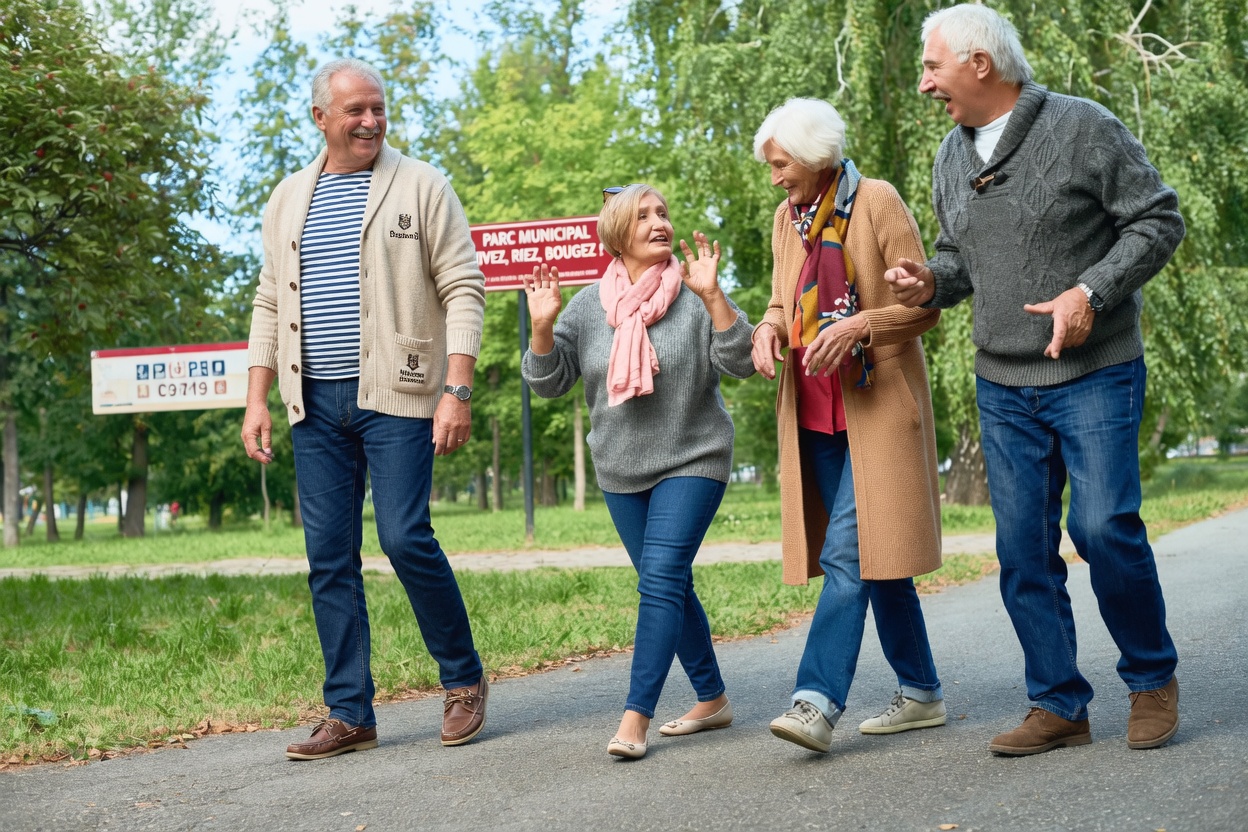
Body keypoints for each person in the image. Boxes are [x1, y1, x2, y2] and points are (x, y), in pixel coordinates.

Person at [886, 4, 1185, 756]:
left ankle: (1151, 678)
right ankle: (1058, 703)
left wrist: (1091, 292)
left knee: (1102, 529)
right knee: (1022, 549)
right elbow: (960, 265)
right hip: (1003, 382)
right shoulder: (951, 158)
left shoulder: (1083, 126)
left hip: (1094, 371)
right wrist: (929, 282)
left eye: (932, 67)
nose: (925, 84)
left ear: (980, 64)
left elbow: (1157, 220)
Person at [240, 58, 488, 761]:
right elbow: (268, 301)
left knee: (405, 536)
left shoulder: (421, 184)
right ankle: (349, 712)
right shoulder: (289, 197)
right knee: (328, 557)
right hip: (312, 403)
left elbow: (464, 287)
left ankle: (463, 679)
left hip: (400, 397)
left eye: (378, 108)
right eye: (355, 111)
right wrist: (256, 397)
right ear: (320, 117)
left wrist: (457, 388)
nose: (371, 121)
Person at [521, 184, 755, 759]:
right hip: (621, 469)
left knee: (659, 579)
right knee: (671, 583)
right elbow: (550, 384)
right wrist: (542, 329)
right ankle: (713, 698)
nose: (660, 223)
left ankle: (635, 716)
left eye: (664, 213)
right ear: (618, 232)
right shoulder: (586, 306)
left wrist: (716, 296)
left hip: (694, 457)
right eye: (645, 215)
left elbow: (745, 360)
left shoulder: (696, 292)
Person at [751, 98, 947, 754]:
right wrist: (767, 327)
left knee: (847, 555)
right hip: (814, 416)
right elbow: (782, 300)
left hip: (876, 410)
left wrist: (862, 323)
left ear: (814, 157)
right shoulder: (787, 218)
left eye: (780, 164)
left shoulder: (878, 201)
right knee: (880, 561)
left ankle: (815, 701)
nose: (774, 177)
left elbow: (925, 308)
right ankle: (921, 692)